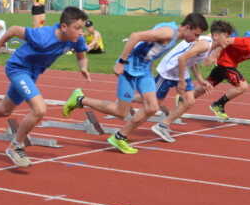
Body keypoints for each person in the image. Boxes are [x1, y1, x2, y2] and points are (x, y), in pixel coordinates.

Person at [0, 6, 90, 167]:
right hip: (18, 68)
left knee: (4, 109)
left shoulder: (77, 39)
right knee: (39, 109)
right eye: (78, 28)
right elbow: (13, 30)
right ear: (64, 27)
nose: (81, 32)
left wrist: (83, 67)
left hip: (32, 73)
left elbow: (81, 56)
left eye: (82, 28)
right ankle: (16, 146)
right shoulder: (43, 36)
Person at [62, 13, 208, 154]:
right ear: (188, 27)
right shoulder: (168, 33)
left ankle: (119, 137)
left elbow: (148, 48)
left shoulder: (174, 34)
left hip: (144, 69)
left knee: (152, 107)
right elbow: (135, 36)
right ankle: (80, 99)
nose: (196, 39)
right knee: (121, 112)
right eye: (196, 34)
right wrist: (121, 62)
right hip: (130, 68)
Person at [149, 20, 232, 142]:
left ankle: (162, 125)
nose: (228, 40)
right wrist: (182, 81)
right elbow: (182, 58)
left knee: (189, 100)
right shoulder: (204, 45)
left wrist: (200, 79)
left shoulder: (208, 45)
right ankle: (126, 103)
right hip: (169, 70)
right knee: (153, 103)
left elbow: (192, 62)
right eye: (226, 36)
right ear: (216, 36)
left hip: (181, 70)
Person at [195, 25, 250, 120]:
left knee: (207, 86)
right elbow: (227, 41)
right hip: (226, 64)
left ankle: (185, 98)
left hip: (227, 64)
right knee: (242, 86)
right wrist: (214, 55)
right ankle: (218, 105)